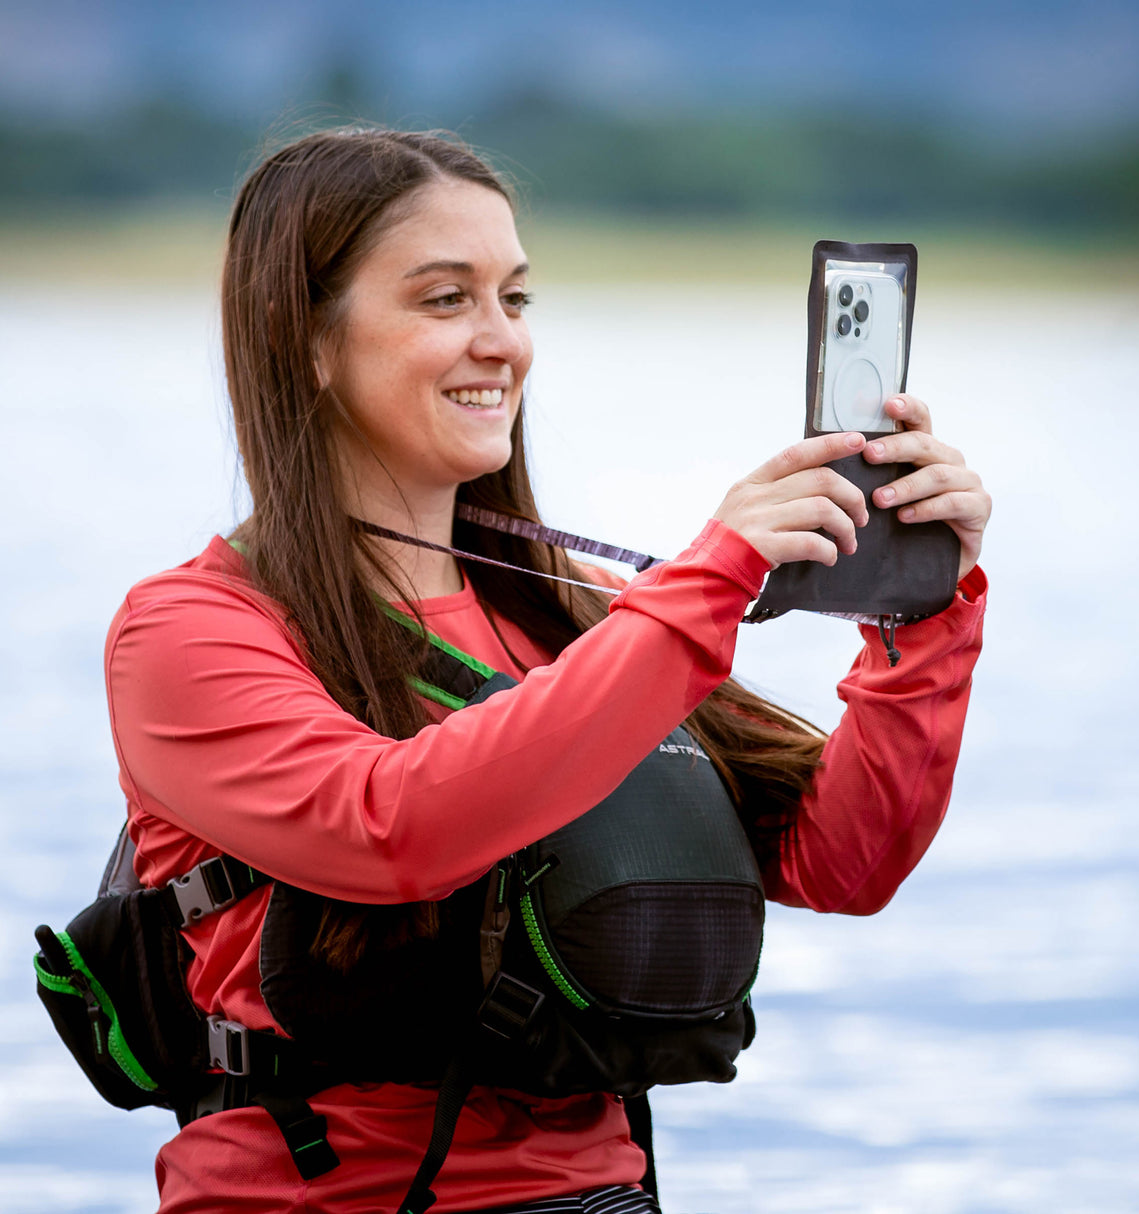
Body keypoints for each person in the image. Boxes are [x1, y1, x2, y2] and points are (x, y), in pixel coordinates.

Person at [104, 127, 991, 1214]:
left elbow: (842, 859)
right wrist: (711, 574)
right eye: (445, 301)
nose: (501, 342)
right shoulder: (188, 630)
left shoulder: (570, 611)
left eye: (514, 301)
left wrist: (920, 616)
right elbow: (390, 827)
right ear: (308, 340)